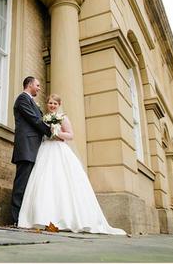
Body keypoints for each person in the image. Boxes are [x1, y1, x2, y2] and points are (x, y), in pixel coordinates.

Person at [18, 94, 126, 235]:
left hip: (59, 149)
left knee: (62, 181)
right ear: (47, 104)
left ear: (59, 104)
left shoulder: (63, 117)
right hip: (45, 150)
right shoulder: (44, 118)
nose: (52, 105)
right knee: (44, 181)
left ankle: (66, 218)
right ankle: (41, 217)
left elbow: (70, 135)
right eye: (50, 103)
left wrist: (56, 132)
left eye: (55, 104)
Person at [11, 76, 52, 226]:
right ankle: (15, 219)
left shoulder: (30, 101)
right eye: (38, 85)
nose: (40, 88)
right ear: (29, 85)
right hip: (26, 147)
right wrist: (52, 131)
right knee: (21, 184)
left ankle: (23, 218)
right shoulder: (22, 99)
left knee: (29, 185)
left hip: (33, 148)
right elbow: (34, 119)